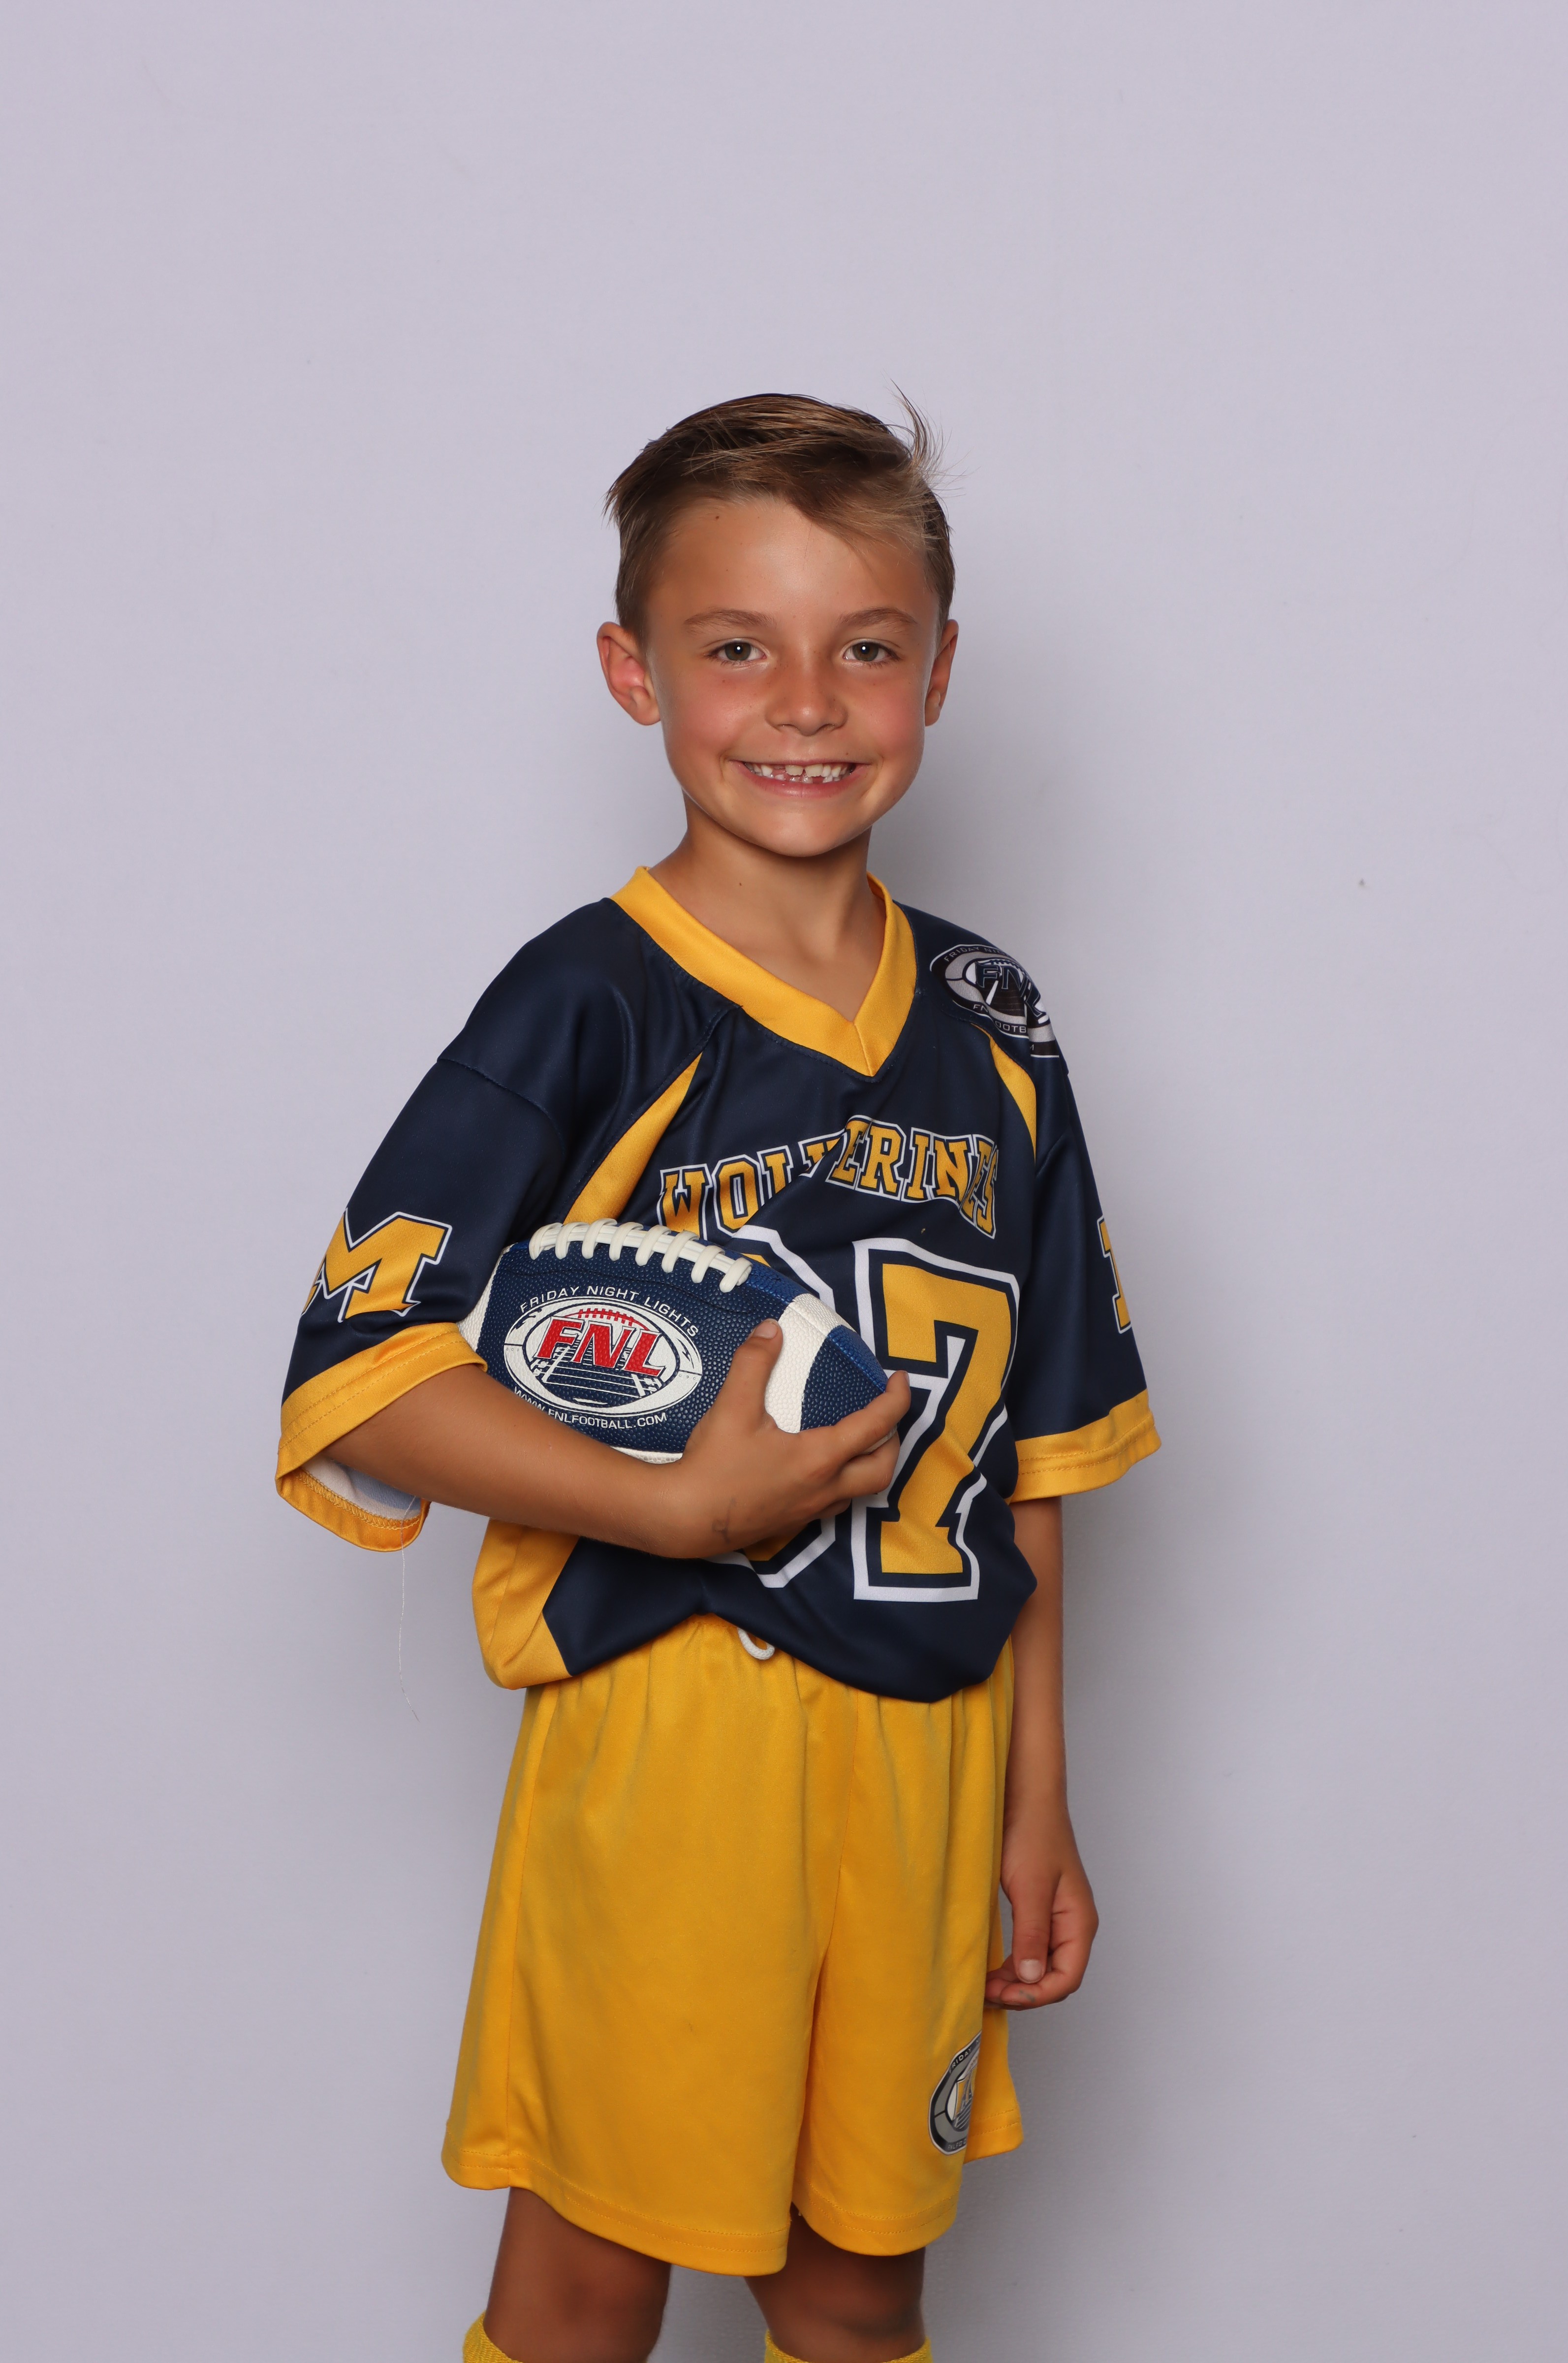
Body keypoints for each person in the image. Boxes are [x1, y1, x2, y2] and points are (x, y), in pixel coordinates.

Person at [276, 393, 1159, 2363]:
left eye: (866, 646)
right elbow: (365, 1371)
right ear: (634, 672)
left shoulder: (996, 1020)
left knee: (854, 2294)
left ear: (940, 669)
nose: (806, 703)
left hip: (930, 1760)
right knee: (593, 2283)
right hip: (680, 1738)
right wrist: (675, 1507)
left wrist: (1039, 1803)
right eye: (736, 646)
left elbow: (1033, 1457)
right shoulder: (591, 998)